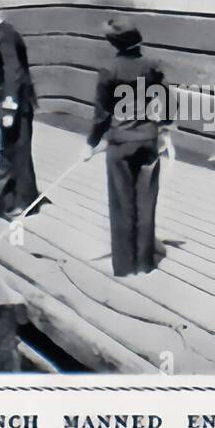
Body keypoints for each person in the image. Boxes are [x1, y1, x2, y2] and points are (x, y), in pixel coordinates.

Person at [84, 17, 173, 277]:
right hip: (148, 141)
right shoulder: (152, 66)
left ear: (114, 43)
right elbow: (167, 99)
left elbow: (101, 114)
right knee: (146, 203)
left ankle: (124, 266)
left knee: (122, 204)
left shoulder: (108, 70)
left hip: (120, 144)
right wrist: (164, 129)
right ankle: (145, 263)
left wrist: (90, 144)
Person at [0, 7, 39, 219]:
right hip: (7, 102)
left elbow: (15, 72)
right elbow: (0, 70)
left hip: (16, 104)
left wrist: (10, 106)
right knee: (8, 151)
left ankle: (24, 202)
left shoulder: (5, 35)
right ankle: (4, 200)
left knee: (17, 151)